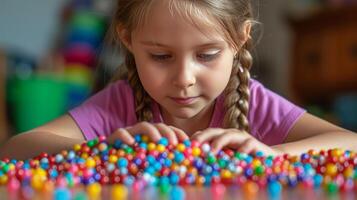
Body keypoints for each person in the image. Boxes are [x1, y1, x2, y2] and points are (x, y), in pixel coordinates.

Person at [1, 0, 357, 160]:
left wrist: (273, 154)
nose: (184, 79)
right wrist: (101, 147)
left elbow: (349, 142)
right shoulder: (120, 102)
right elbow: (15, 147)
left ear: (240, 39)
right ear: (127, 39)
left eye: (206, 55)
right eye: (160, 56)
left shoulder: (254, 101)